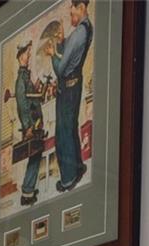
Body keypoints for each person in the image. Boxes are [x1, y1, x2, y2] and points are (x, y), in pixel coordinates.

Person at [44, 0, 92, 192]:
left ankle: (68, 180)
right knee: (71, 128)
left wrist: (52, 54)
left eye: (72, 13)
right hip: (75, 84)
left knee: (63, 134)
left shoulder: (80, 33)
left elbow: (62, 69)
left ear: (81, 8)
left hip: (68, 87)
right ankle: (78, 167)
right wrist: (62, 42)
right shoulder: (86, 28)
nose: (70, 16)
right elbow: (71, 56)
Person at [12, 40, 46, 206]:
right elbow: (22, 105)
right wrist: (29, 127)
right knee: (34, 155)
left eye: (29, 53)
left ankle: (29, 188)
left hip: (36, 123)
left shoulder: (26, 77)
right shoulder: (21, 80)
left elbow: (31, 98)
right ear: (20, 57)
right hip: (32, 125)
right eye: (26, 54)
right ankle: (27, 193)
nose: (28, 56)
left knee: (36, 155)